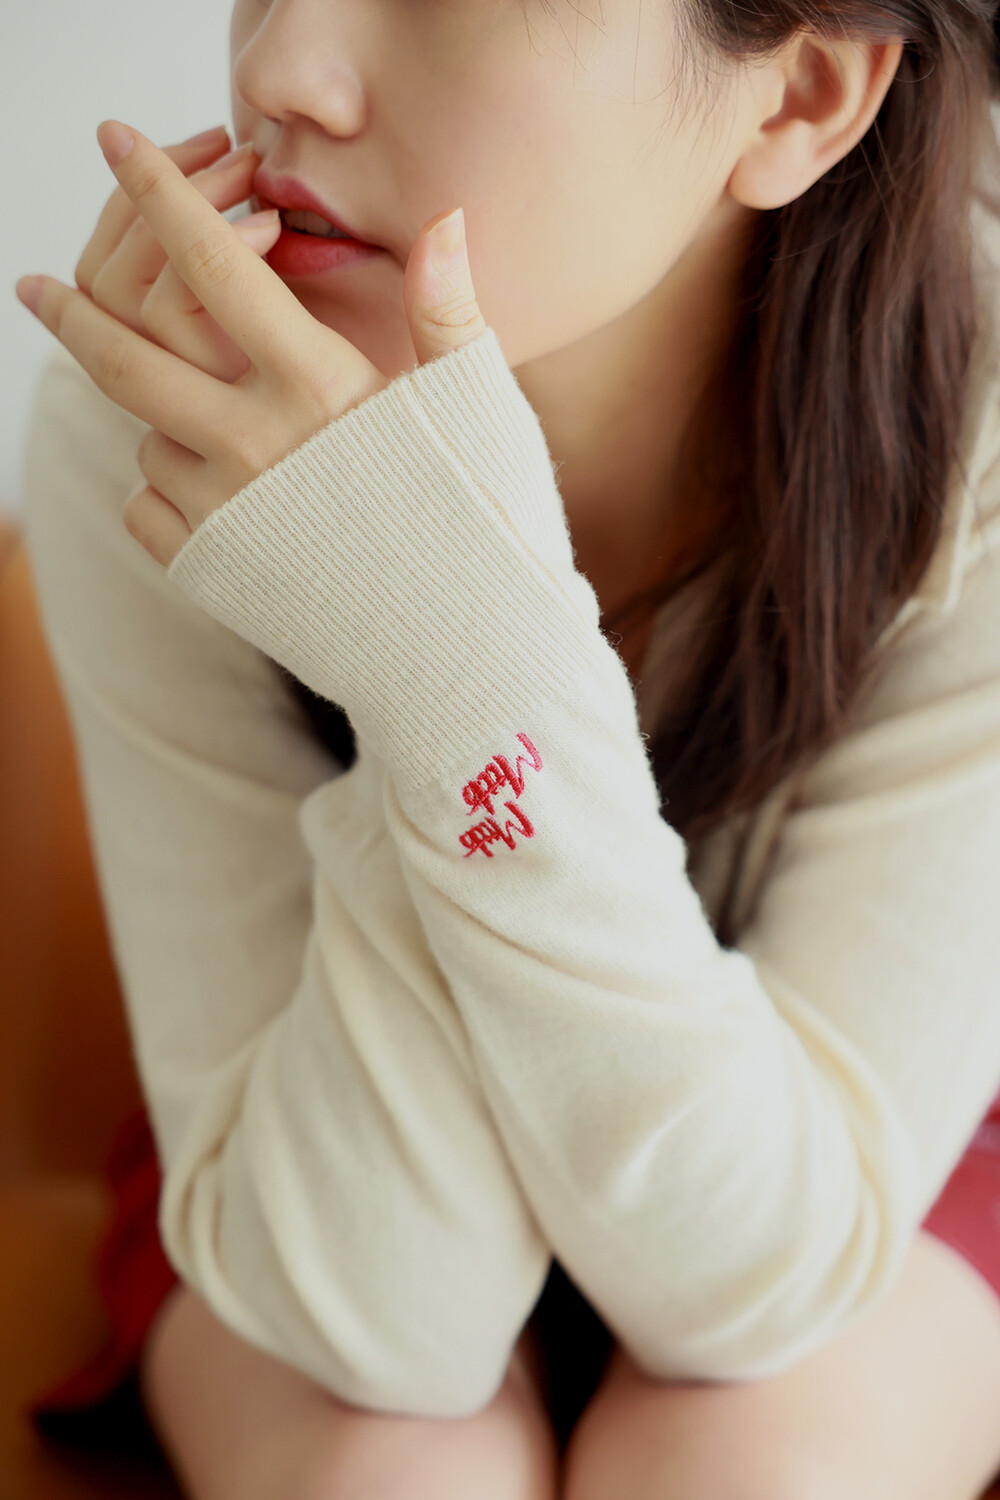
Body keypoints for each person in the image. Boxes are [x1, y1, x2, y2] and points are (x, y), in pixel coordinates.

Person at [10, 0, 1000, 1495]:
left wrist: (459, 653)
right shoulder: (153, 422)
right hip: (313, 1149)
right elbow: (376, 1320)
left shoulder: (973, 423)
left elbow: (760, 1279)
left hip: (856, 1141)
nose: (278, 66)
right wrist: (428, 654)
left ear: (799, 93)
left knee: (747, 1469)